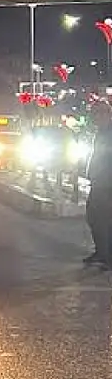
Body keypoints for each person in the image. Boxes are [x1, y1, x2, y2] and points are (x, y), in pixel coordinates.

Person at [86, 106, 112, 268]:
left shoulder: (109, 132)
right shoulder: (102, 131)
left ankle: (106, 254)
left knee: (102, 218)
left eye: (97, 114)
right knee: (94, 217)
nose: (95, 119)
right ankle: (102, 251)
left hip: (107, 182)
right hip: (99, 181)